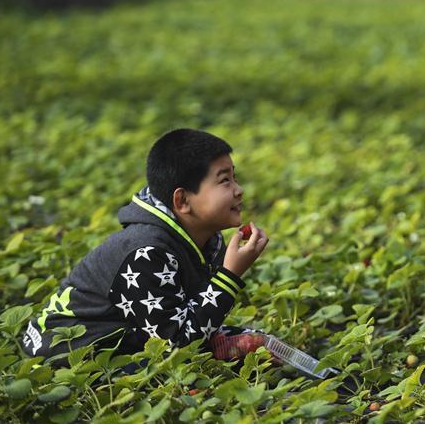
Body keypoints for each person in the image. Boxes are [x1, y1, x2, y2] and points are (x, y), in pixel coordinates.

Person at [19, 128, 270, 364]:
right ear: (182, 200)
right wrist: (229, 277)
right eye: (225, 180)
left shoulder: (208, 239)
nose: (239, 190)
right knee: (181, 371)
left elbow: (191, 316)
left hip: (131, 337)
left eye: (234, 177)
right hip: (65, 354)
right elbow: (177, 346)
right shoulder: (146, 252)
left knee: (254, 341)